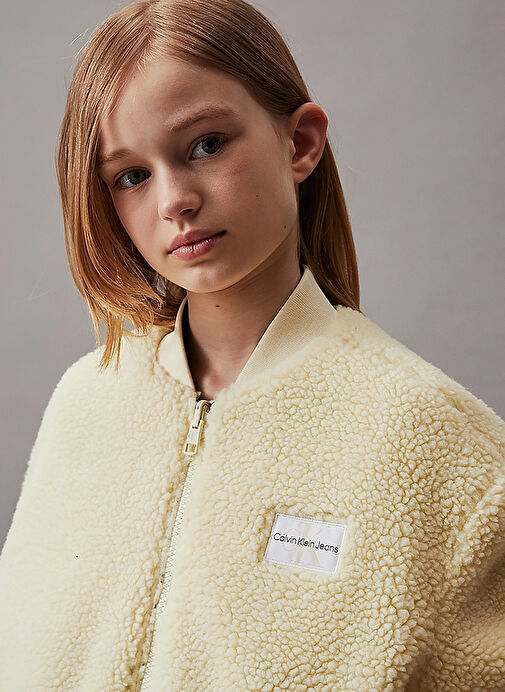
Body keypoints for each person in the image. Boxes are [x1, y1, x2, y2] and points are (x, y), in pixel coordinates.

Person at [1, 0, 504, 689]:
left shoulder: (437, 444)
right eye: (131, 176)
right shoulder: (84, 405)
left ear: (300, 144)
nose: (173, 200)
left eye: (206, 145)